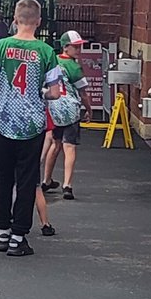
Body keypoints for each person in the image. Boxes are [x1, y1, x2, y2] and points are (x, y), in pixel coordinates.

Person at [0, 0, 62, 258]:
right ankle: (19, 236)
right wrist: (38, 93)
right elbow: (54, 92)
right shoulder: (46, 52)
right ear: (38, 22)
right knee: (27, 180)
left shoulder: (0, 46)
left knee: (2, 177)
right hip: (32, 124)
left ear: (15, 19)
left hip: (4, 120)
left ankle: (2, 231)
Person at [41, 31, 93, 200]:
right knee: (69, 147)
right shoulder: (74, 67)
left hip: (55, 109)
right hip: (71, 110)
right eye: (75, 46)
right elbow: (83, 92)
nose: (78, 49)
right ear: (66, 47)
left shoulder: (52, 61)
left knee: (55, 144)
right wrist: (89, 109)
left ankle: (46, 180)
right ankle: (67, 185)